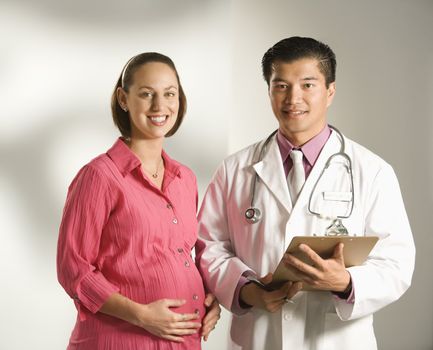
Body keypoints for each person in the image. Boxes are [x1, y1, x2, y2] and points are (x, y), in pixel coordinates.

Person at [196, 37, 415, 350]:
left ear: (330, 92)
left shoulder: (372, 171)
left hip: (335, 340)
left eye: (307, 85)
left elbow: (397, 261)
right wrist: (248, 289)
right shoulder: (235, 170)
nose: (292, 98)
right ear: (269, 90)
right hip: (260, 336)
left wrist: (345, 283)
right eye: (281, 85)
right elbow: (209, 247)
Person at [57, 52, 220, 350]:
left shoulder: (185, 178)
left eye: (169, 94)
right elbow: (73, 269)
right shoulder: (98, 177)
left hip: (182, 342)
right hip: (119, 341)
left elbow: (184, 253)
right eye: (147, 94)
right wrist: (142, 315)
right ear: (123, 98)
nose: (160, 106)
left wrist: (210, 298)